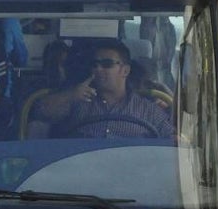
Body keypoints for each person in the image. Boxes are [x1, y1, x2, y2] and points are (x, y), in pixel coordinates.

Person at [36, 39, 174, 139]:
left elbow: (174, 143)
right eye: (95, 64)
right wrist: (70, 95)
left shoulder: (149, 110)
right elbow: (41, 114)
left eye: (106, 64)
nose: (98, 69)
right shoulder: (78, 102)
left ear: (125, 71)